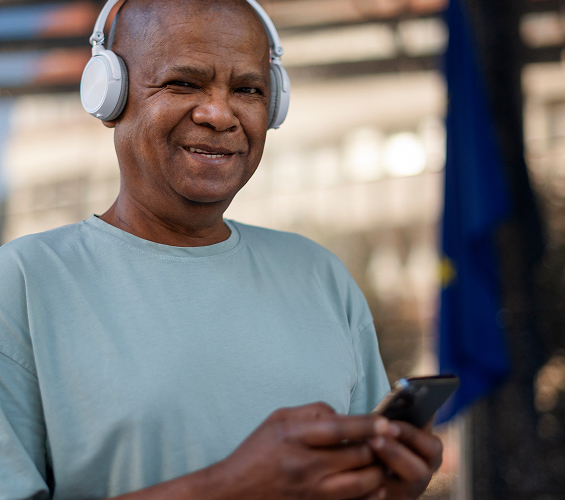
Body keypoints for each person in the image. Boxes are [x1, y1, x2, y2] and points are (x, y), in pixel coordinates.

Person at [0, 0, 443, 499]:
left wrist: (392, 486)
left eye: (248, 90)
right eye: (183, 83)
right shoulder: (24, 283)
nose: (218, 114)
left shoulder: (317, 274)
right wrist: (233, 486)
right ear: (109, 94)